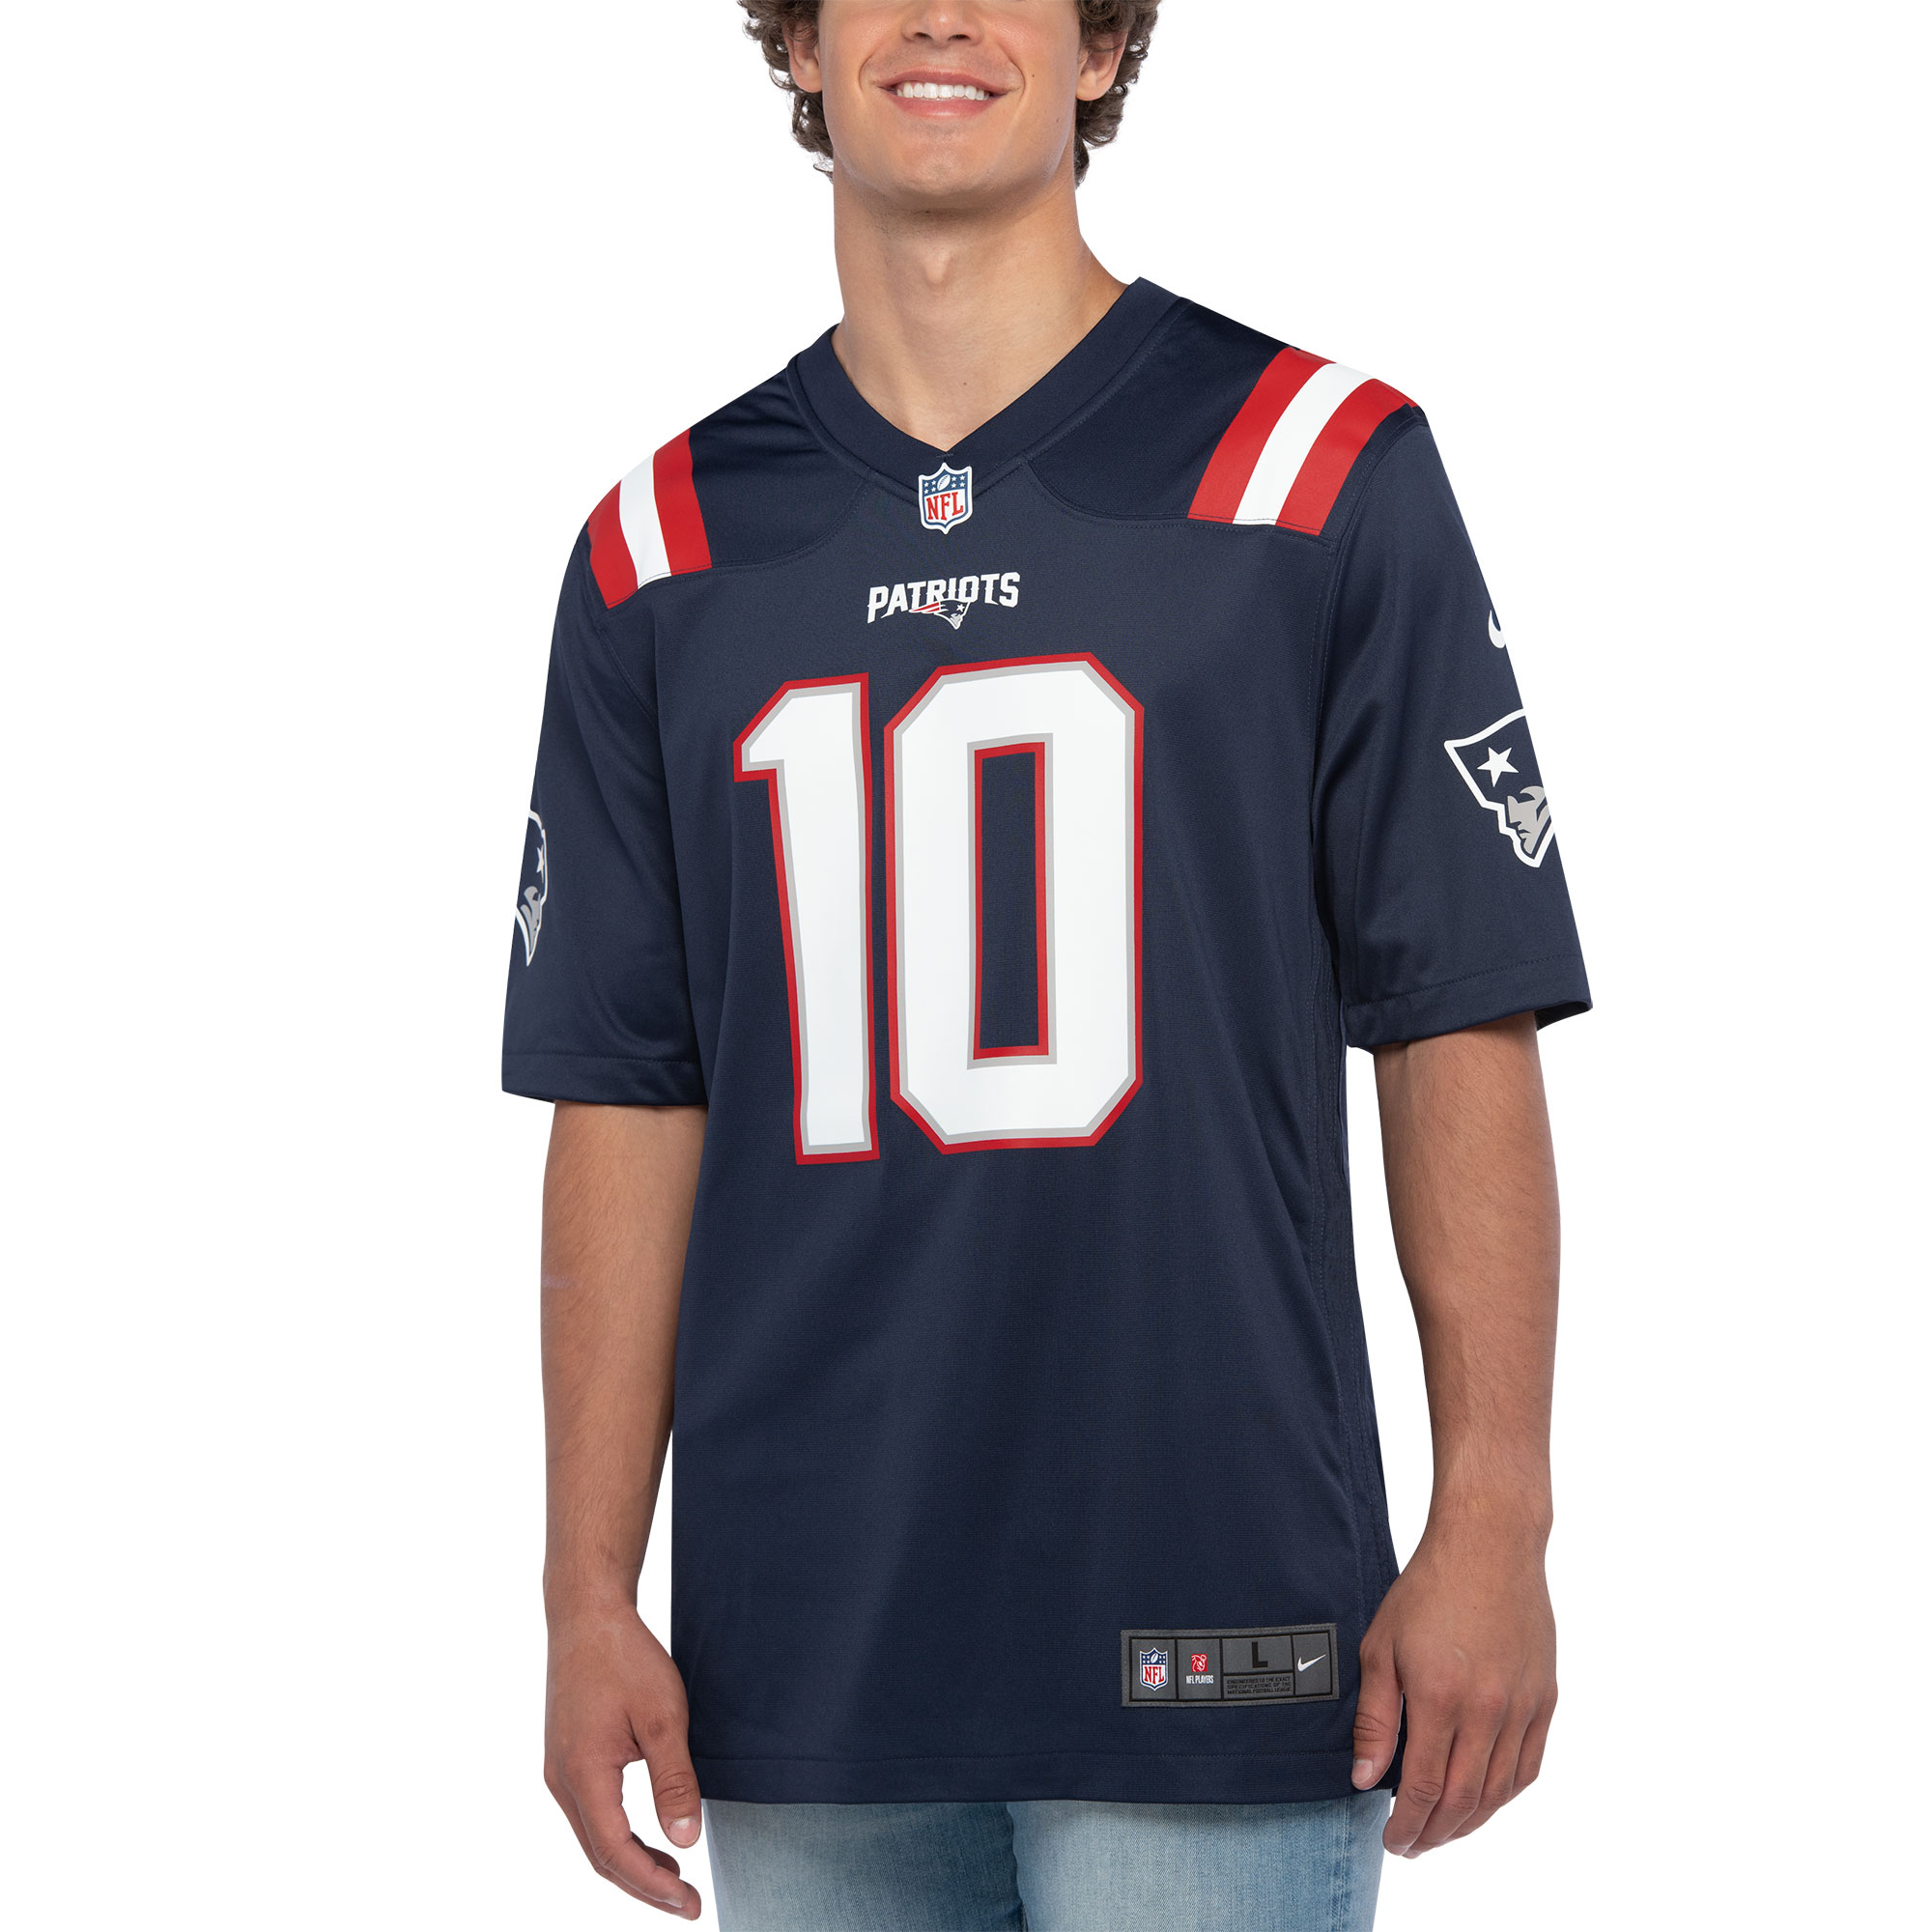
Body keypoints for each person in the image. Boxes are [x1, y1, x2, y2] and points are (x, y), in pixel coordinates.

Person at [503, 3, 1589, 1924]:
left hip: (1219, 1615)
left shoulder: (1315, 471)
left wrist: (1495, 1512)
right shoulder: (657, 549)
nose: (941, 14)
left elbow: (1452, 1016)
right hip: (805, 1652)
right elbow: (629, 1094)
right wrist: (586, 1590)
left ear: (1100, 47)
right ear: (798, 43)